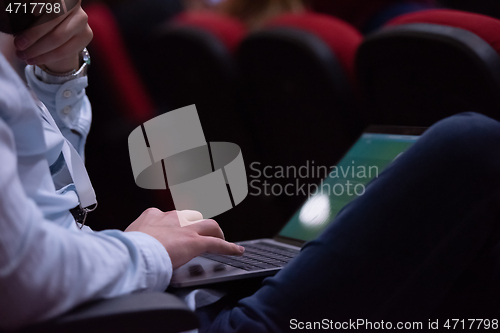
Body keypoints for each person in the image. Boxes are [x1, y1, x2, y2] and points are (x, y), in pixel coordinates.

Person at [1, 2, 500, 333]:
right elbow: (22, 280)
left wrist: (56, 76)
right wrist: (143, 250)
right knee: (472, 142)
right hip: (162, 321)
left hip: (144, 304)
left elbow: (48, 198)